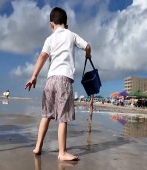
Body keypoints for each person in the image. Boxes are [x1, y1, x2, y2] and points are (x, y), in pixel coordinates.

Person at [25, 7, 91, 161]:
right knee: (63, 117)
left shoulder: (50, 38)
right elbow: (87, 46)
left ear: (52, 24)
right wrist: (88, 54)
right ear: (65, 24)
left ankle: (37, 147)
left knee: (46, 115)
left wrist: (34, 76)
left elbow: (42, 56)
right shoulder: (71, 34)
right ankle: (62, 152)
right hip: (64, 80)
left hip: (50, 80)